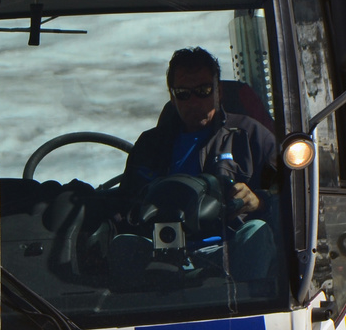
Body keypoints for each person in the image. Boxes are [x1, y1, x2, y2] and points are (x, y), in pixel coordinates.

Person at [116, 47, 280, 280]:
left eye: (203, 90)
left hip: (227, 246)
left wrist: (260, 201)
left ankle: (254, 310)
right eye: (184, 93)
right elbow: (123, 206)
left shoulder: (250, 135)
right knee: (123, 245)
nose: (194, 101)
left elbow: (293, 198)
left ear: (219, 91)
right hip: (160, 249)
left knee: (256, 234)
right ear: (172, 96)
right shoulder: (150, 144)